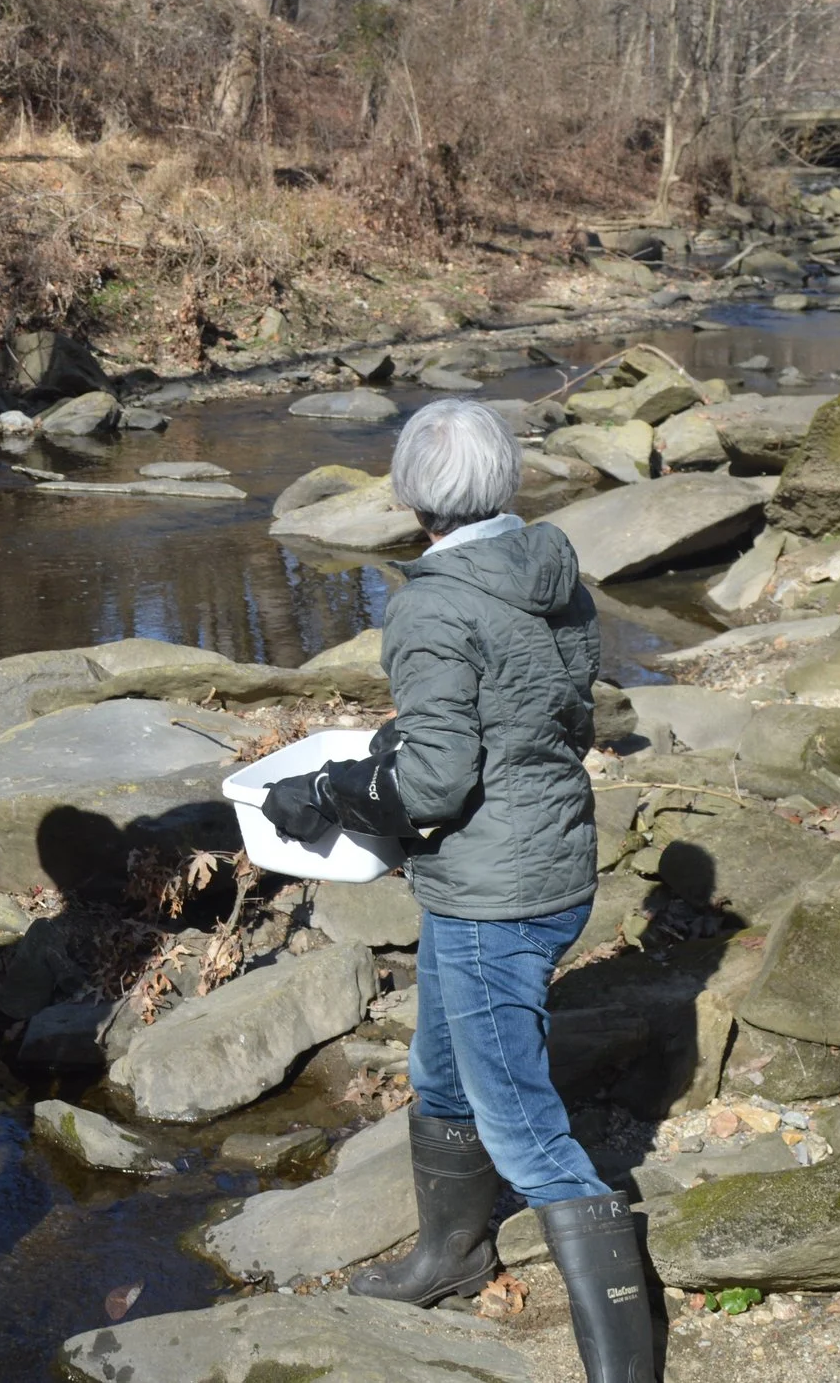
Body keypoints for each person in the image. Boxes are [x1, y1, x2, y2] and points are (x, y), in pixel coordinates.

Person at [263, 398, 653, 1383]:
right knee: (443, 1071)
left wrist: (330, 789)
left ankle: (624, 1365)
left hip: (493, 888)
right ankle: (452, 1254)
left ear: (405, 494)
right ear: (505, 481)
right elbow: (542, 707)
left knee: (522, 1123)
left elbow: (435, 784)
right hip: (548, 854)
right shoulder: (550, 568)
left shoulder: (434, 601)